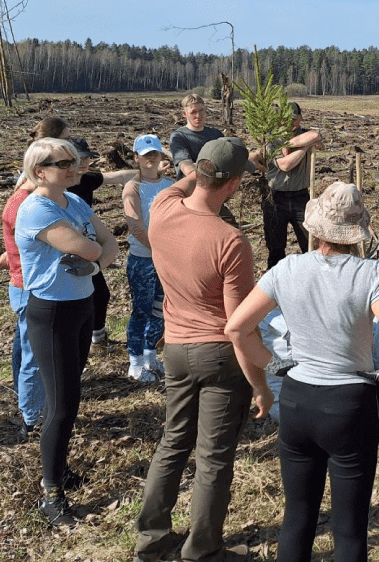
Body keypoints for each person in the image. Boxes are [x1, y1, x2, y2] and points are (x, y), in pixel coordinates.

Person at [225, 182, 379, 562]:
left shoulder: (287, 269)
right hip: (350, 403)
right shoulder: (371, 275)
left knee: (297, 516)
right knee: (349, 528)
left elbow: (235, 328)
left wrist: (273, 366)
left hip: (298, 398)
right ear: (357, 231)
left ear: (314, 228)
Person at [134, 137, 269, 562]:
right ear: (232, 185)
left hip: (174, 347)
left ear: (201, 172)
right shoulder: (230, 242)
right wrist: (261, 384)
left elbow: (180, 181)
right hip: (217, 357)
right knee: (212, 458)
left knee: (173, 441)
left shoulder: (162, 210)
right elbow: (238, 327)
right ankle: (202, 548)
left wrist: (197, 170)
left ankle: (151, 541)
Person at [15, 137, 119, 526]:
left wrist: (94, 265)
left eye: (75, 161)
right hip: (52, 313)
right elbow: (91, 247)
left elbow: (109, 245)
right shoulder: (36, 210)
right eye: (65, 163)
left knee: (70, 396)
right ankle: (52, 493)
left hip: (81, 304)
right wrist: (94, 254)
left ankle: (60, 470)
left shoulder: (73, 202)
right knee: (61, 406)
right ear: (40, 172)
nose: (75, 168)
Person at [31, 117, 141, 347]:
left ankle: (95, 337)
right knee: (86, 296)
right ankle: (84, 338)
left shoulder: (87, 180)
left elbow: (117, 177)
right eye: (75, 159)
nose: (81, 164)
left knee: (99, 294)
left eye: (86, 158)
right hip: (62, 250)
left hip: (84, 244)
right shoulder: (52, 189)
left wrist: (148, 175)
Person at [0, 174, 44, 442]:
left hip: (30, 285)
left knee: (34, 352)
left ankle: (37, 408)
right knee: (33, 356)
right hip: (28, 287)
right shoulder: (22, 205)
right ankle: (31, 418)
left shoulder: (25, 200)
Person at [122, 134, 174, 383]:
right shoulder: (133, 188)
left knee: (160, 309)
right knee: (141, 310)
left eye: (155, 154)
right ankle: (135, 363)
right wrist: (157, 248)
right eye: (146, 155)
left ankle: (151, 355)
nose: (151, 159)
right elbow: (135, 225)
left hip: (166, 259)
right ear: (137, 159)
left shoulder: (170, 186)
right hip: (143, 259)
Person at [253, 102, 324, 269]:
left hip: (301, 197)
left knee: (311, 245)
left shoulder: (305, 132)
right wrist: (305, 147)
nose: (287, 123)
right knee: (276, 248)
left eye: (292, 119)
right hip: (275, 197)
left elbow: (315, 136)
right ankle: (275, 288)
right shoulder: (270, 138)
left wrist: (289, 144)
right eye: (284, 119)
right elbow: (285, 165)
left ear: (300, 119)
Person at [168, 94, 224, 176]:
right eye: (193, 112)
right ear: (184, 113)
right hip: (191, 186)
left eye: (201, 111)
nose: (198, 116)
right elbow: (187, 168)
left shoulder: (216, 134)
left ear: (205, 111)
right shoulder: (178, 137)